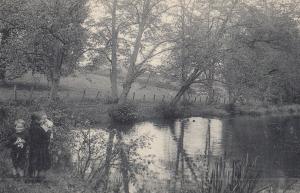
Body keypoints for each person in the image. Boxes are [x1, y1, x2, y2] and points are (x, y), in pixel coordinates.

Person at [28, 112, 52, 182]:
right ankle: (40, 179)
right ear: (36, 120)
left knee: (33, 163)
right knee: (42, 164)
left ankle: (32, 178)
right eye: (41, 119)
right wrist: (48, 130)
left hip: (33, 149)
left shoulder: (31, 127)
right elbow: (46, 136)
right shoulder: (39, 128)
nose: (43, 121)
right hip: (41, 149)